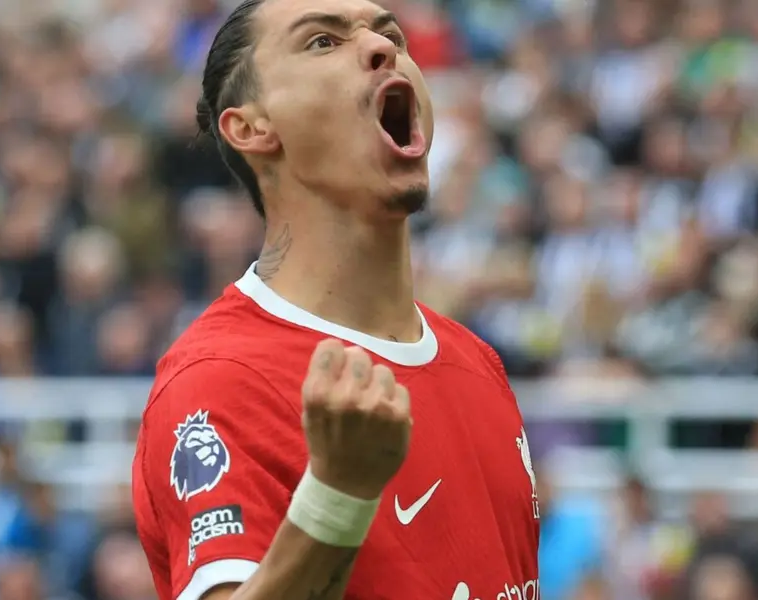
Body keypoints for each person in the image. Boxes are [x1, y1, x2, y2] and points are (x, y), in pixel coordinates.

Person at [130, 0, 540, 598]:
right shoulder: (220, 380)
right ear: (250, 127)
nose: (381, 48)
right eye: (323, 42)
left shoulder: (479, 364)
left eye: (389, 34)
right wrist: (338, 494)